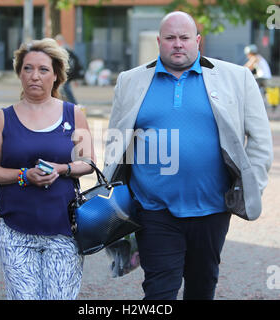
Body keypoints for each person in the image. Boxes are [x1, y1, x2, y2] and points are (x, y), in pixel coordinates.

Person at [103, 11, 273, 300]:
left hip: (212, 209)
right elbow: (118, 142)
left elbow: (260, 141)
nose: (178, 44)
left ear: (198, 41)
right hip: (153, 209)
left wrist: (248, 184)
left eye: (184, 38)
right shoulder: (130, 81)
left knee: (201, 287)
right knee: (159, 292)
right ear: (159, 41)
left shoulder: (237, 78)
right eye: (170, 38)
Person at [0, 38, 95, 300]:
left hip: (64, 230)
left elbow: (88, 163)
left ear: (56, 75)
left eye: (43, 69)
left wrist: (62, 168)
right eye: (28, 68)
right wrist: (24, 175)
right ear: (19, 73)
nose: (35, 76)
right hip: (16, 230)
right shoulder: (3, 118)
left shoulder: (74, 113)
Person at [55, 34, 84, 104]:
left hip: (64, 74)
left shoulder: (62, 50)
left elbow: (69, 63)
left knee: (65, 90)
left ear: (59, 42)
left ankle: (73, 105)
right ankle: (71, 105)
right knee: (64, 91)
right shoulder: (68, 50)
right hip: (66, 74)